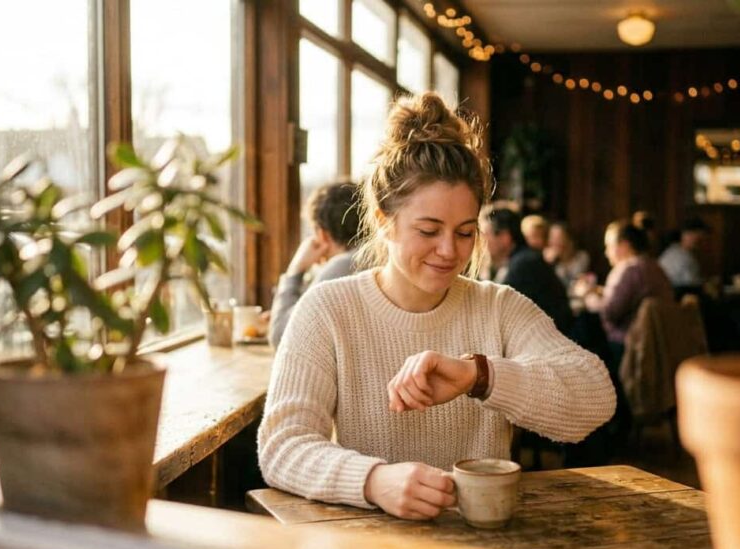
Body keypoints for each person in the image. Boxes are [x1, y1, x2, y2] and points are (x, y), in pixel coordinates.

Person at [258, 92, 615, 521]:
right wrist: (373, 481)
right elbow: (282, 446)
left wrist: (479, 375)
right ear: (384, 220)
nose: (449, 251)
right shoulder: (328, 308)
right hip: (371, 544)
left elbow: (595, 399)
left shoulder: (497, 308)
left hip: (484, 543)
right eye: (429, 230)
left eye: (465, 233)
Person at [268, 182, 362, 347]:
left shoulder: (343, 265)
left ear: (322, 235)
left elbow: (281, 337)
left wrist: (295, 270)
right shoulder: (373, 258)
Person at [586, 221, 674, 357]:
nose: (606, 253)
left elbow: (610, 312)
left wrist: (587, 296)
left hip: (628, 347)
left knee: (581, 331)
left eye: (609, 246)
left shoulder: (629, 269)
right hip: (659, 344)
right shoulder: (654, 266)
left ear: (624, 246)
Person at [483, 207, 572, 333]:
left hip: (552, 344)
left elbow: (496, 312)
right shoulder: (521, 259)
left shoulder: (524, 264)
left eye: (485, 234)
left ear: (504, 237)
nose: (480, 241)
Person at [659, 217, 708, 288]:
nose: (702, 243)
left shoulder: (672, 250)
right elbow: (692, 285)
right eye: (699, 239)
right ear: (687, 234)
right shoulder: (684, 257)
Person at [544, 221, 590, 288]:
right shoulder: (547, 260)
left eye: (558, 238)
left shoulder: (582, 257)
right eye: (552, 237)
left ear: (569, 239)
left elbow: (573, 284)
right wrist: (547, 264)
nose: (554, 242)